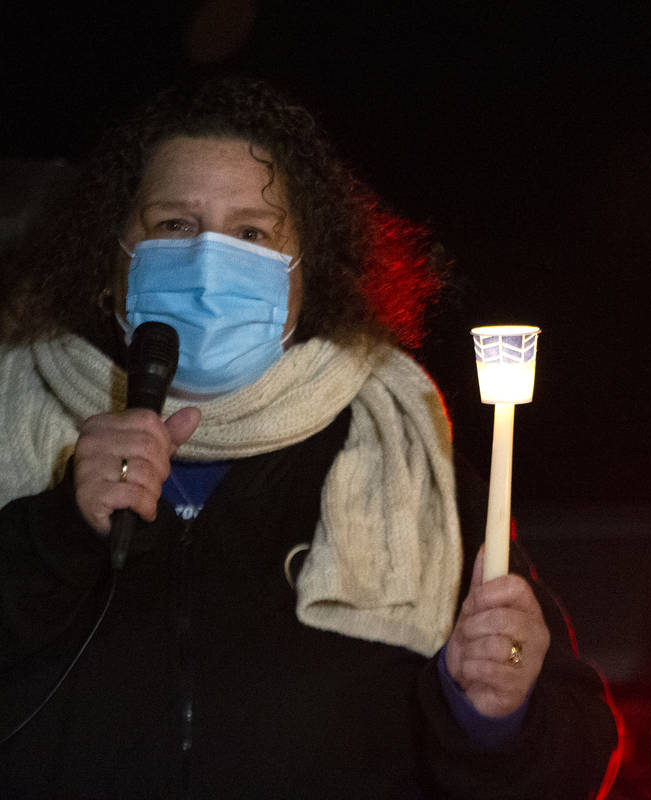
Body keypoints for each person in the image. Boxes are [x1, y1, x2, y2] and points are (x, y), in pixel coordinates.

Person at [0, 74, 618, 798]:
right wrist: (56, 535)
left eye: (252, 233)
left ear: (305, 276)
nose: (208, 261)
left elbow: (575, 754)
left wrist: (497, 718)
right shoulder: (18, 411)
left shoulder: (400, 453)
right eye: (173, 225)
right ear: (110, 261)